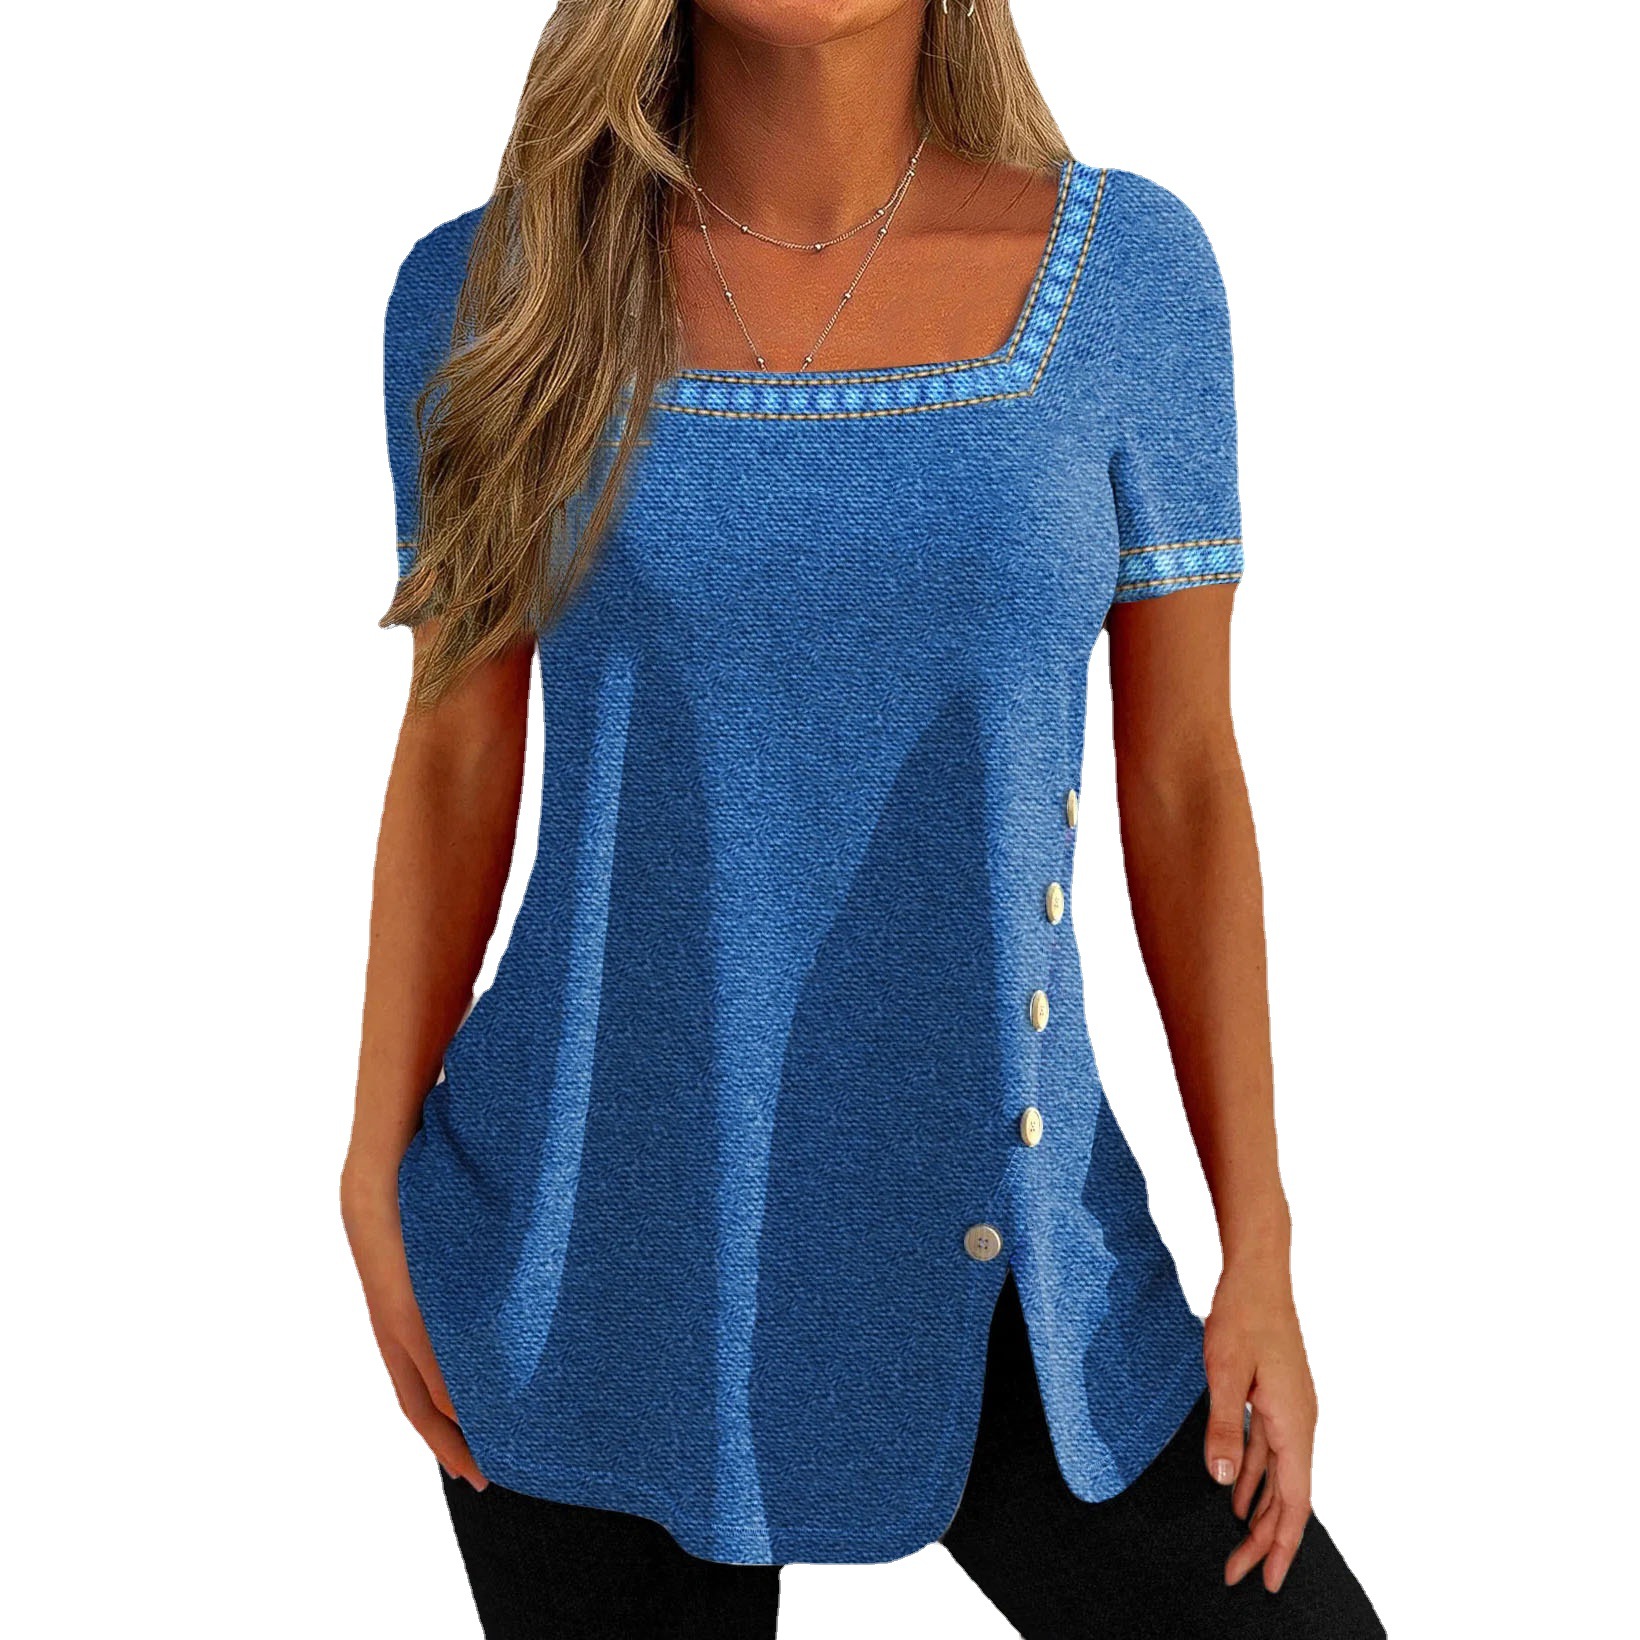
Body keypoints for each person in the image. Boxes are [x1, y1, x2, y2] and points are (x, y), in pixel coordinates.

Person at [341, 2, 1386, 1634]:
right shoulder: (491, 298)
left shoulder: (1129, 282)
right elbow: (456, 756)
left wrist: (1261, 1240)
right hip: (588, 1239)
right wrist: (369, 1166)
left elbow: (1185, 782)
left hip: (1007, 1239)